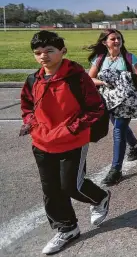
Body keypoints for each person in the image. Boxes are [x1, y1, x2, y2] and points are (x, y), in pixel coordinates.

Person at [20, 31, 111, 255]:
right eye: (38, 53)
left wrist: (71, 128)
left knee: (71, 185)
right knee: (51, 190)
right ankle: (66, 228)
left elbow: (95, 108)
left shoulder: (77, 77)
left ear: (62, 51)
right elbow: (27, 107)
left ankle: (100, 197)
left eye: (49, 51)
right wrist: (33, 125)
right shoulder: (33, 79)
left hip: (72, 141)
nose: (43, 56)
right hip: (42, 143)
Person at [87, 29, 137, 186]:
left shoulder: (129, 58)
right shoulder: (100, 59)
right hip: (107, 100)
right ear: (105, 42)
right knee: (121, 128)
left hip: (125, 101)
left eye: (119, 38)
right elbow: (90, 78)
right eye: (113, 39)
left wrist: (122, 78)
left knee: (118, 131)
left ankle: (116, 170)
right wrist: (104, 82)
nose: (117, 41)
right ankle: (134, 144)